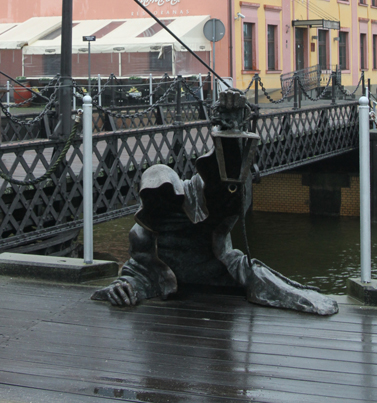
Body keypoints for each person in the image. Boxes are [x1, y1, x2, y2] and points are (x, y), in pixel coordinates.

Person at [92, 90, 338, 316]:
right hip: (181, 301)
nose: (162, 201)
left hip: (223, 276)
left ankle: (308, 300)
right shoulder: (141, 234)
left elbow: (225, 186)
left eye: (166, 193)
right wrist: (124, 286)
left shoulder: (195, 197)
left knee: (257, 274)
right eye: (154, 197)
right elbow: (139, 271)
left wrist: (230, 132)